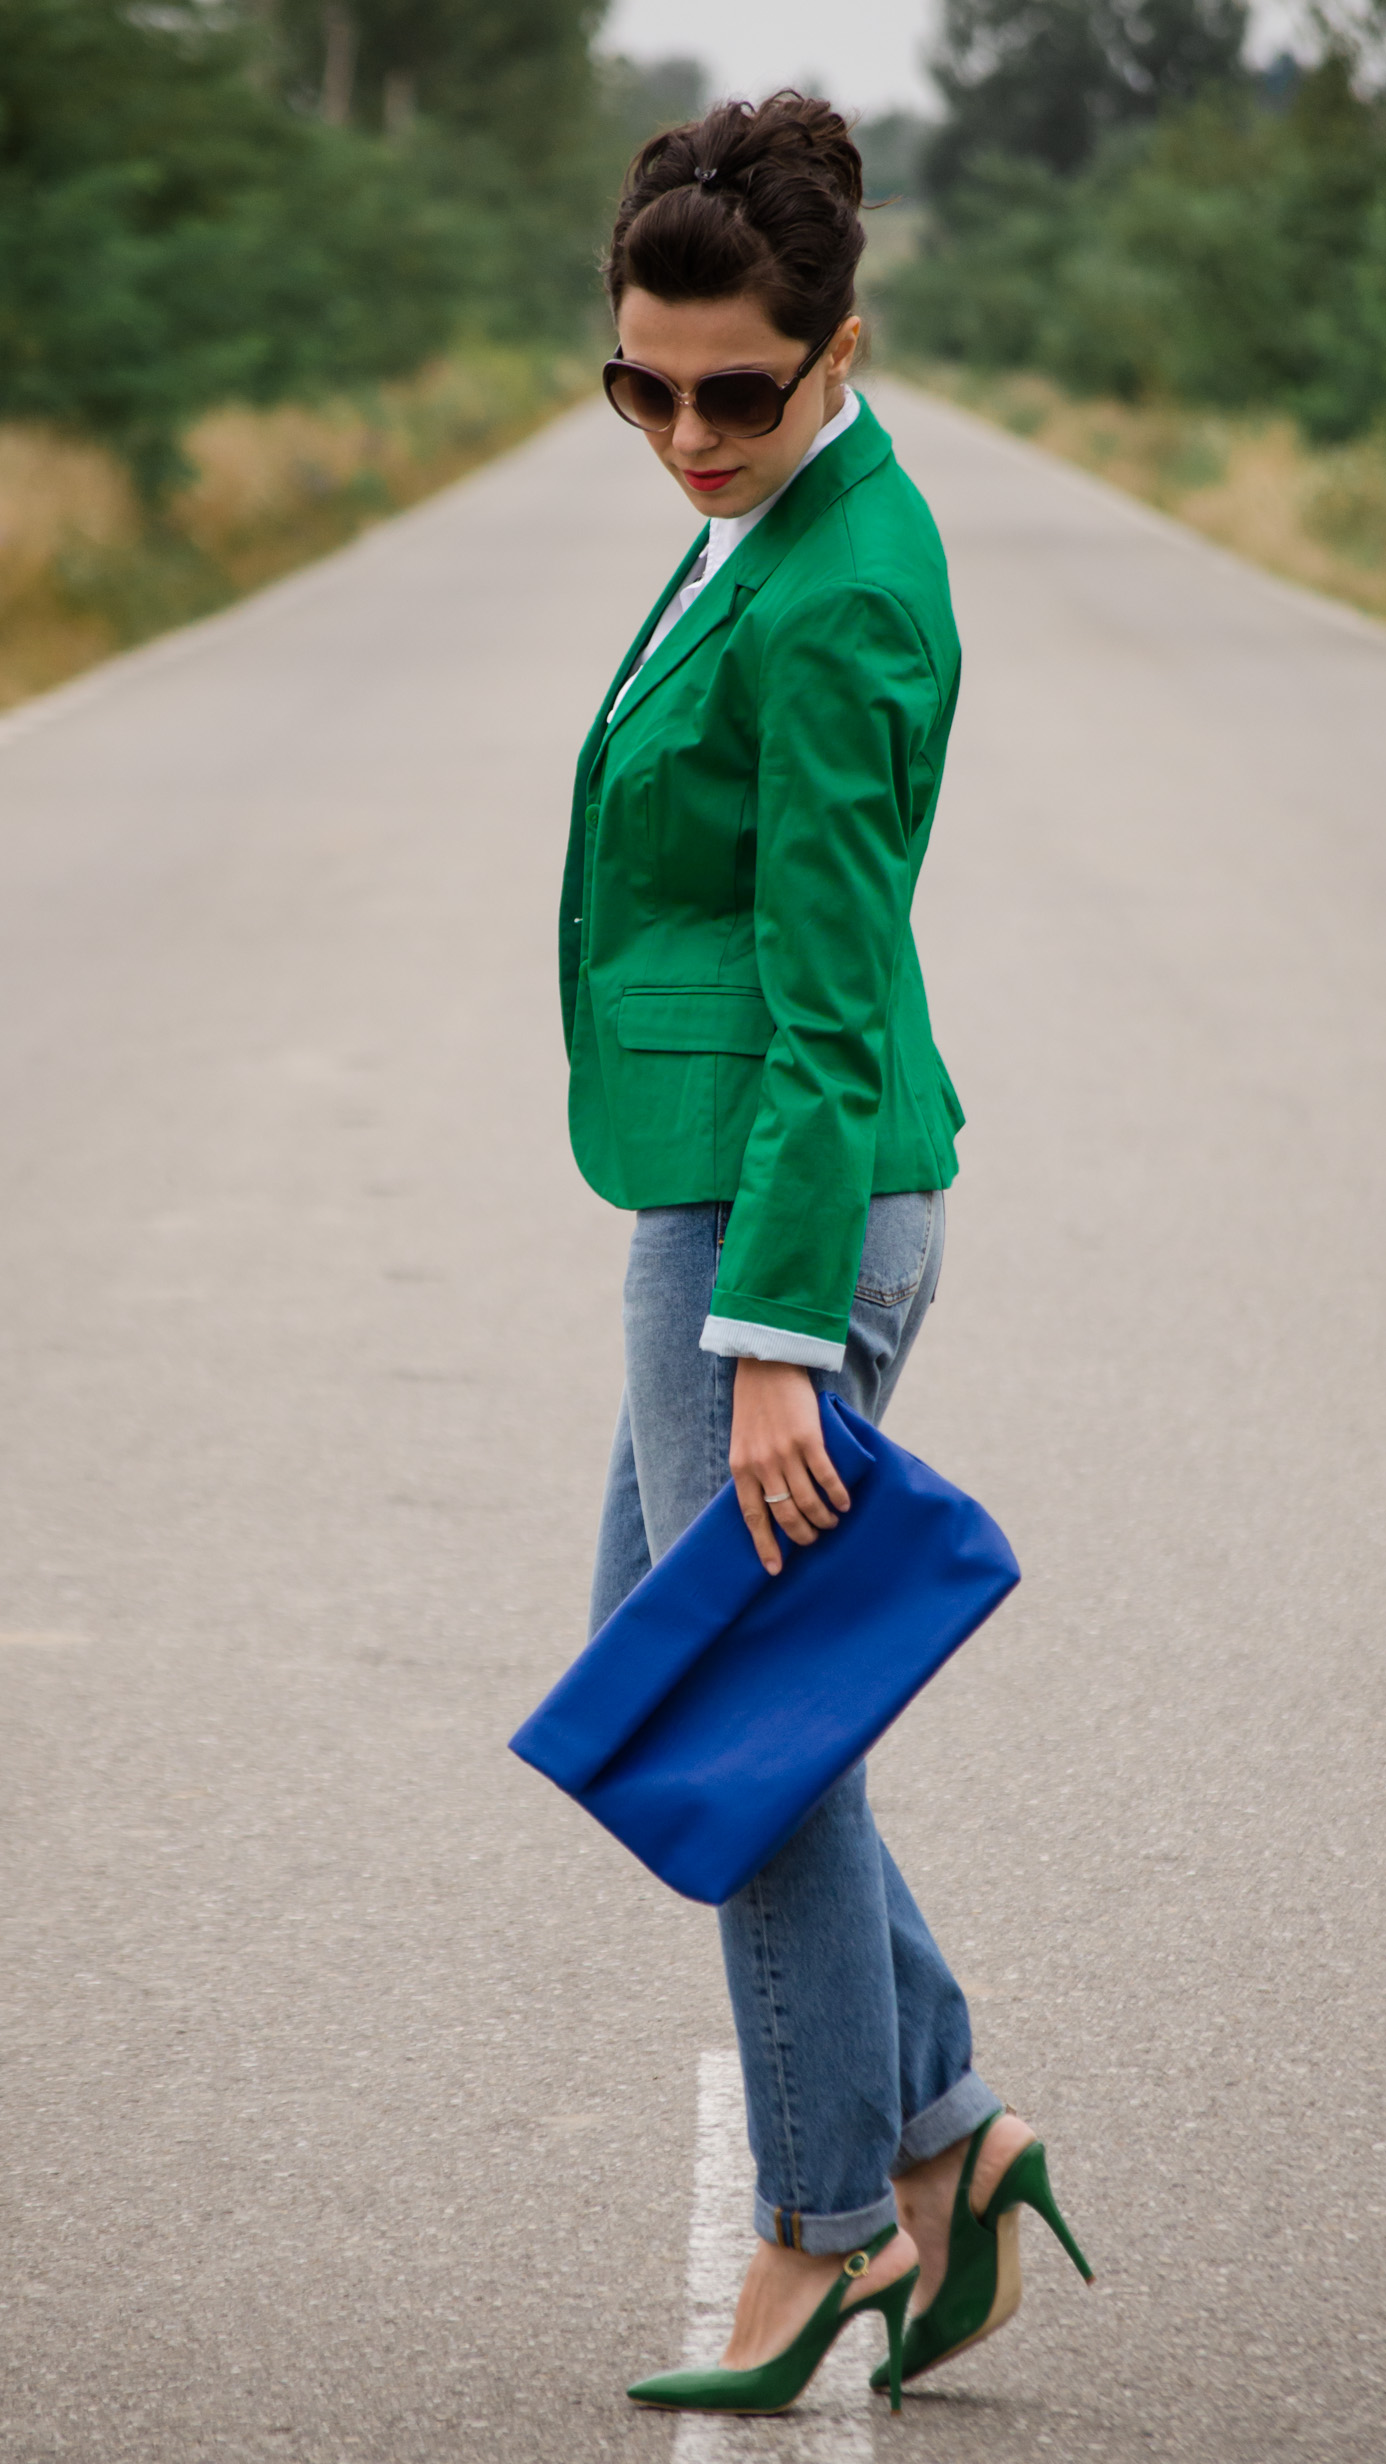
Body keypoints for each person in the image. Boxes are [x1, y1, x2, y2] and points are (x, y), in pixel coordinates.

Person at [559, 91, 1093, 2416]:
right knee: (659, 1672)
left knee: (748, 1729)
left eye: (735, 389)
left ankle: (825, 2224)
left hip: (788, 1209)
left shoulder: (852, 577)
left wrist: (774, 1336)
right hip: (720, 1179)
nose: (684, 430)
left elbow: (834, 976)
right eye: (640, 384)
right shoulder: (763, 514)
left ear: (841, 347)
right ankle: (954, 2128)